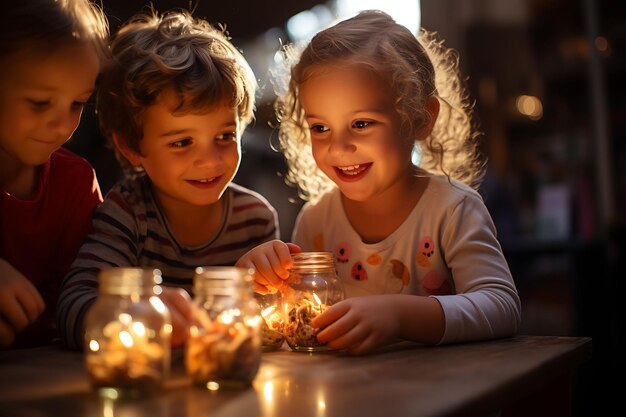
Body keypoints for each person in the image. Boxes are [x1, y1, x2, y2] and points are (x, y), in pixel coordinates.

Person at [237, 10, 521, 355]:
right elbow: (295, 320)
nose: (339, 147)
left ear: (420, 118)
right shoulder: (317, 221)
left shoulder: (452, 211)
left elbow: (502, 306)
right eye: (320, 128)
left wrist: (399, 316)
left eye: (361, 124)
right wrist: (263, 285)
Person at [57, 10, 279, 350]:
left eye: (224, 136)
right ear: (133, 147)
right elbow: (72, 307)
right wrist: (137, 314)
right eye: (181, 142)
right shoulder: (127, 214)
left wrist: (262, 284)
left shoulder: (255, 219)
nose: (209, 159)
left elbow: (272, 326)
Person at [0, 0, 108, 349]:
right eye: (39, 102)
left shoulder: (74, 183)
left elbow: (81, 296)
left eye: (77, 104)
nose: (62, 124)